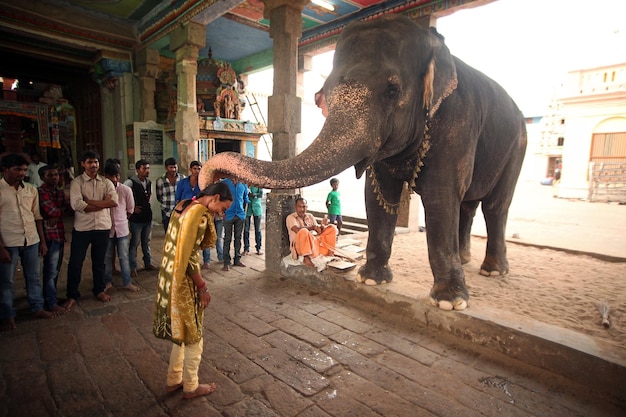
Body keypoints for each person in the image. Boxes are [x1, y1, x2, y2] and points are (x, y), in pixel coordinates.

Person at [153, 182, 232, 399]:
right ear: (215, 197)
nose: (221, 213)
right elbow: (191, 256)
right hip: (183, 281)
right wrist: (202, 287)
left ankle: (173, 380)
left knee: (181, 333)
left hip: (168, 277)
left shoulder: (184, 204)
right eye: (222, 208)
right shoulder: (201, 215)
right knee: (194, 336)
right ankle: (190, 385)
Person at [0, 154, 54, 331]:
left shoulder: (31, 190)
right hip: (9, 241)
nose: (22, 173)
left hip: (31, 239)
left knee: (33, 277)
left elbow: (37, 217)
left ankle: (37, 307)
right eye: (17, 169)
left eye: (24, 169)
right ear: (5, 170)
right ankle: (8, 315)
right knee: (6, 281)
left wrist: (43, 242)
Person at [63, 150, 118, 310]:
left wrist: (90, 203)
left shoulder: (106, 182)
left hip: (102, 227)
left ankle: (99, 290)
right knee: (75, 262)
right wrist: (101, 203)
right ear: (82, 164)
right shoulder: (77, 183)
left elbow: (114, 202)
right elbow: (77, 205)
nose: (93, 165)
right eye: (89, 162)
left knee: (99, 262)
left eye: (95, 162)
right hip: (82, 229)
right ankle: (72, 294)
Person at [38, 164, 71, 315]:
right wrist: (59, 213)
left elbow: (68, 209)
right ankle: (50, 302)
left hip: (59, 233)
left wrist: (58, 214)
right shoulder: (41, 192)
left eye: (56, 174)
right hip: (49, 235)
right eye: (50, 175)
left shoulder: (58, 192)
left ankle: (50, 296)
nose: (54, 177)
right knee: (50, 269)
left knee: (56, 269)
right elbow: (52, 210)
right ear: (42, 177)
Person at [103, 160, 138, 292]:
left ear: (119, 176)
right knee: (107, 257)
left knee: (123, 256)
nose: (114, 179)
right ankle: (107, 282)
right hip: (107, 229)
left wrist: (122, 220)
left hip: (122, 229)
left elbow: (130, 209)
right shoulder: (102, 190)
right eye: (110, 176)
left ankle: (127, 282)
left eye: (116, 176)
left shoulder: (125, 190)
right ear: (105, 176)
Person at [175, 161, 212, 269]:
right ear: (190, 169)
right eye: (195, 168)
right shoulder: (182, 182)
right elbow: (178, 198)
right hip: (185, 213)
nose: (197, 171)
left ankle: (206, 260)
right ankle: (187, 259)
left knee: (203, 236)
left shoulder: (203, 183)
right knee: (187, 237)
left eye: (199, 169)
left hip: (199, 213)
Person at [286, 197, 337, 270]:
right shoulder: (290, 218)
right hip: (300, 247)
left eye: (304, 207)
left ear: (307, 207)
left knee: (332, 228)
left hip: (314, 246)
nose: (302, 209)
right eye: (299, 207)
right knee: (303, 231)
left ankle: (330, 253)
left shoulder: (310, 216)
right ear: (295, 207)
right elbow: (297, 229)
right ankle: (306, 258)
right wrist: (312, 227)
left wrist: (322, 226)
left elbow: (318, 231)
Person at [124, 159, 155, 276]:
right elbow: (122, 195)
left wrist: (148, 201)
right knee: (134, 243)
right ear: (137, 170)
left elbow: (150, 194)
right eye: (144, 168)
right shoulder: (130, 182)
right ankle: (132, 267)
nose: (147, 171)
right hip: (136, 219)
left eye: (148, 168)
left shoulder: (148, 182)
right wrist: (131, 208)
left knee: (146, 242)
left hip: (147, 217)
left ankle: (148, 263)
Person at [222, 177, 248, 271]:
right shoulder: (224, 183)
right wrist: (222, 213)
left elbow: (246, 199)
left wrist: (244, 213)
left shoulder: (243, 184)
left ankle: (237, 259)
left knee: (238, 238)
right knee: (227, 239)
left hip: (240, 215)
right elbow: (219, 198)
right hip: (228, 215)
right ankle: (226, 262)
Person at [156, 157, 185, 232]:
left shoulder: (182, 178)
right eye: (171, 167)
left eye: (175, 167)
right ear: (166, 168)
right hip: (166, 210)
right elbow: (159, 196)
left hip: (181, 210)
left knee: (180, 233)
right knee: (168, 233)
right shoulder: (160, 180)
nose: (173, 170)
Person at [243, 186, 263, 256]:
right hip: (247, 207)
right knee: (246, 229)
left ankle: (258, 248)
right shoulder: (246, 183)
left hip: (257, 207)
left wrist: (253, 195)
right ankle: (246, 248)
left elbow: (260, 194)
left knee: (258, 229)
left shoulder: (258, 183)